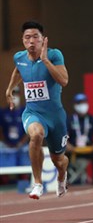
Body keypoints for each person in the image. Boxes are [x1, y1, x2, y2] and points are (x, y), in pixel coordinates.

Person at [4, 21, 69, 199]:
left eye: (35, 37)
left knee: (59, 161)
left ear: (43, 39)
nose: (31, 41)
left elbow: (64, 81)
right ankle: (38, 183)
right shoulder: (19, 57)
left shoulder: (54, 55)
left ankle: (62, 176)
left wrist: (46, 60)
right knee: (36, 134)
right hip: (33, 112)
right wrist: (9, 89)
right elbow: (18, 71)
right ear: (23, 41)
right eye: (27, 38)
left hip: (55, 116)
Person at [66, 93, 93, 185]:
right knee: (63, 153)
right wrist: (67, 145)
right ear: (75, 105)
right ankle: (66, 178)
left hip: (88, 149)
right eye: (80, 103)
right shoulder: (70, 120)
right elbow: (64, 136)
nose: (82, 105)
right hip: (74, 150)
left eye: (84, 102)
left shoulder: (92, 119)